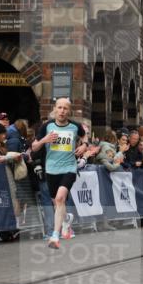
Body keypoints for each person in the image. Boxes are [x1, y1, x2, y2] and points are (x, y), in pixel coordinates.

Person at [31, 97, 87, 249]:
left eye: (65, 108)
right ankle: (66, 218)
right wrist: (44, 140)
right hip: (51, 169)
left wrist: (84, 145)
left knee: (60, 198)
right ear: (54, 109)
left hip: (69, 167)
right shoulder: (46, 126)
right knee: (56, 203)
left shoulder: (75, 126)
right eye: (59, 108)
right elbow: (34, 148)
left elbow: (84, 136)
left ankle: (55, 236)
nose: (62, 111)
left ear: (69, 111)